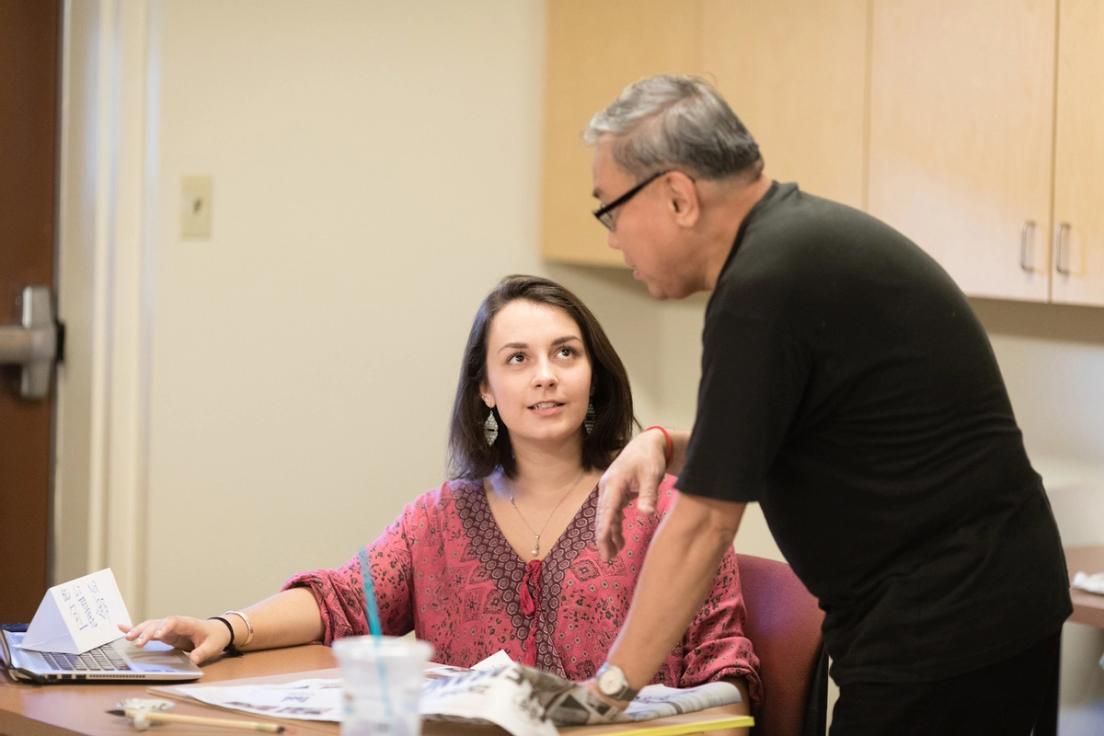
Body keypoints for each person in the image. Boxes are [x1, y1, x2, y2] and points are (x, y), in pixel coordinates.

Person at [581, 75, 1072, 735]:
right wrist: (667, 447)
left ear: (677, 196)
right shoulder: (794, 245)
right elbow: (782, 426)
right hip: (982, 603)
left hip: (946, 623)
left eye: (610, 209)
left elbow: (702, 526)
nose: (612, 237)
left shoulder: (764, 285)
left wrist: (607, 692)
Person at [122, 274, 761, 712]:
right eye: (517, 359)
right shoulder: (441, 517)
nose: (545, 376)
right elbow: (345, 601)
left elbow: (729, 681)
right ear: (484, 388)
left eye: (565, 354)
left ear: (593, 375)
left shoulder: (667, 504)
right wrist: (225, 627)